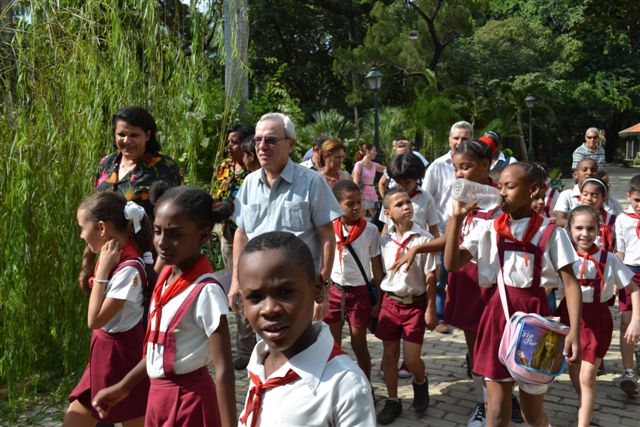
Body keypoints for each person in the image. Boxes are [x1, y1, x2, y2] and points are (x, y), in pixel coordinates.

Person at [444, 162, 582, 427]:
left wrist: (573, 331)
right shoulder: (489, 228)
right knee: (495, 412)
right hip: (498, 317)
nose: (502, 193)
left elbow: (571, 284)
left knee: (532, 413)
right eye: (500, 187)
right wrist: (456, 218)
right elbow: (451, 264)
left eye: (509, 186)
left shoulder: (551, 233)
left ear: (532, 190)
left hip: (536, 321)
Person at [92, 186, 236, 427]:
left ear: (203, 236)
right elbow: (154, 348)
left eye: (175, 234)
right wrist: (123, 387)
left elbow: (224, 370)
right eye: (157, 232)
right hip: (158, 397)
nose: (162, 242)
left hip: (190, 401)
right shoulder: (165, 278)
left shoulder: (206, 291)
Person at [237, 231, 376, 426]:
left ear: (318, 290)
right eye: (255, 297)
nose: (269, 309)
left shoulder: (345, 386)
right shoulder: (259, 359)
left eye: (285, 292)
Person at [228, 113, 342, 321]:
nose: (262, 146)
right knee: (267, 349)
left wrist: (323, 285)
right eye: (258, 140)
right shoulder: (249, 184)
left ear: (290, 144)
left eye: (271, 140)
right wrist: (236, 281)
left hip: (298, 291)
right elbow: (241, 234)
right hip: (259, 290)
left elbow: (327, 235)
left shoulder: (311, 182)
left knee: (303, 349)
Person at [63, 193, 154, 427]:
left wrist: (101, 271)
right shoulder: (118, 260)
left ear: (101, 228)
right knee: (74, 419)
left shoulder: (129, 270)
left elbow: (94, 319)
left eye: (83, 228)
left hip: (121, 359)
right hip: (102, 355)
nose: (82, 235)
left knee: (134, 418)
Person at [81, 106, 183, 294]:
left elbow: (174, 222)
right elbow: (93, 216)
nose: (126, 141)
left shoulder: (164, 169)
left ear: (148, 135)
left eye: (134, 135)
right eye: (121, 134)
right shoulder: (106, 164)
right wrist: (87, 263)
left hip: (148, 262)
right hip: (108, 262)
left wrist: (155, 272)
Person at [557, 205, 640, 426]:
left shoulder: (609, 259)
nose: (585, 234)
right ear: (570, 229)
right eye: (579, 228)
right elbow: (546, 286)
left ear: (599, 229)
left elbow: (634, 289)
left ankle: (583, 421)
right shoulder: (563, 257)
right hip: (569, 317)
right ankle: (584, 403)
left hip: (597, 321)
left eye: (590, 228)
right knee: (574, 367)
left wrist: (635, 321)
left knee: (587, 376)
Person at [442, 140, 506, 427]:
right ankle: (482, 401)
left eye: (466, 167)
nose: (460, 174)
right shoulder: (457, 196)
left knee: (499, 344)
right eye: (456, 168)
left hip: (494, 284)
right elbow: (451, 239)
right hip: (464, 278)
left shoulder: (503, 197)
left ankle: (503, 394)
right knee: (474, 343)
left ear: (486, 164)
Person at [375, 187, 439, 425]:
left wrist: (431, 308)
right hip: (391, 303)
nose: (407, 207)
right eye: (400, 204)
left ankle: (420, 383)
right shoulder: (383, 241)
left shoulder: (424, 239)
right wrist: (378, 304)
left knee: (412, 360)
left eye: (408, 203)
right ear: (388, 213)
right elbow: (379, 273)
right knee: (389, 356)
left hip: (415, 305)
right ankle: (393, 400)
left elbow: (431, 277)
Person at [323, 180, 384, 379]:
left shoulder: (370, 231)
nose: (357, 207)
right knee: (332, 345)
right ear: (336, 204)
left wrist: (380, 300)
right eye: (350, 204)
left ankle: (365, 384)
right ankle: (336, 385)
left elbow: (376, 266)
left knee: (360, 344)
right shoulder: (329, 228)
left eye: (359, 202)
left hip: (359, 293)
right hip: (334, 290)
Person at [421, 121, 473, 335]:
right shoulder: (437, 165)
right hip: (443, 230)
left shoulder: (475, 166)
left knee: (466, 278)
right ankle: (440, 316)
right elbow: (427, 196)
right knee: (441, 276)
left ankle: (463, 314)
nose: (460, 142)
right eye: (456, 138)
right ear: (449, 140)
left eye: (465, 138)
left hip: (470, 232)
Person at [212, 123, 255, 371]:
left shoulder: (255, 172)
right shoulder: (226, 167)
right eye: (229, 142)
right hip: (229, 234)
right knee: (236, 287)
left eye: (235, 142)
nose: (230, 146)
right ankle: (245, 347)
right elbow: (217, 194)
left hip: (253, 235)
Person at [615, 174, 640, 394]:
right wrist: (618, 277)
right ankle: (628, 369)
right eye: (637, 200)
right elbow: (620, 250)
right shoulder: (622, 219)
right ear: (629, 196)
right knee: (626, 322)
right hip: (630, 272)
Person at [378, 153, 440, 238]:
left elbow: (434, 230)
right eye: (398, 181)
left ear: (416, 178)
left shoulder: (426, 198)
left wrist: (434, 249)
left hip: (419, 248)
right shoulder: (389, 198)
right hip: (393, 248)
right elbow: (386, 226)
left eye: (407, 182)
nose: (402, 185)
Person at [553, 158, 598, 227]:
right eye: (584, 170)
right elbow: (559, 220)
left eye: (593, 170)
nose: (589, 172)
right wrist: (583, 226)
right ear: (575, 175)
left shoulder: (600, 196)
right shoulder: (566, 195)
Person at [579, 177, 616, 252]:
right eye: (585, 194)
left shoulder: (610, 219)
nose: (588, 198)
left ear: (603, 198)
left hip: (604, 259)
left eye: (594, 196)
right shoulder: (574, 217)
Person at [352, 143, 385, 217]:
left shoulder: (374, 165)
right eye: (374, 150)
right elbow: (355, 182)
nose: (376, 153)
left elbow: (388, 170)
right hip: (362, 192)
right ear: (367, 151)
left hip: (372, 192)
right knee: (361, 215)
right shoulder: (359, 164)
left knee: (377, 215)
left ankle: (377, 228)